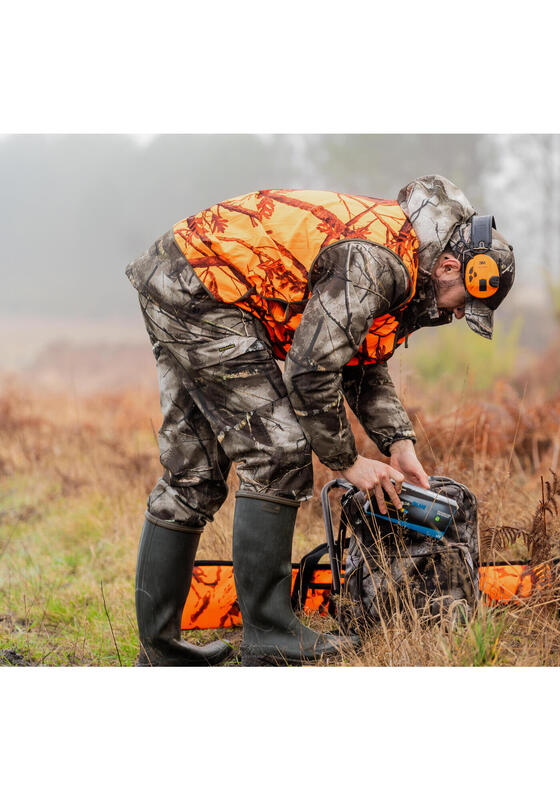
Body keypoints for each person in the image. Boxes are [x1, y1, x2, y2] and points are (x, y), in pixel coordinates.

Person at [125, 174, 515, 666]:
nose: (459, 316)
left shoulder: (406, 260)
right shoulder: (377, 263)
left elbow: (359, 360)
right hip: (205, 289)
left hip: (182, 276)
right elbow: (311, 371)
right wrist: (348, 463)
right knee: (278, 454)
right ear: (451, 266)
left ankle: (160, 653)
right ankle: (269, 633)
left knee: (194, 474)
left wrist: (398, 443)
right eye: (468, 302)